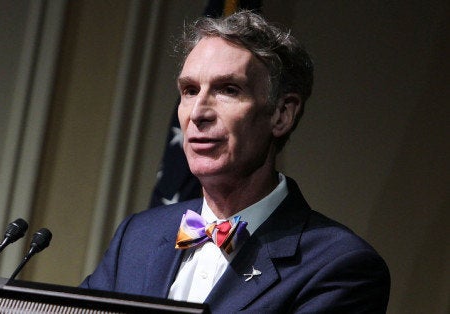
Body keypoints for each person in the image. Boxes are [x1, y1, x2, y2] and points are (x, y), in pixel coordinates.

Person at [80, 10, 390, 313]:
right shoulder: (137, 237)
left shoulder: (338, 265)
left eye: (228, 90)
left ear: (282, 113)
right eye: (189, 90)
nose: (198, 113)